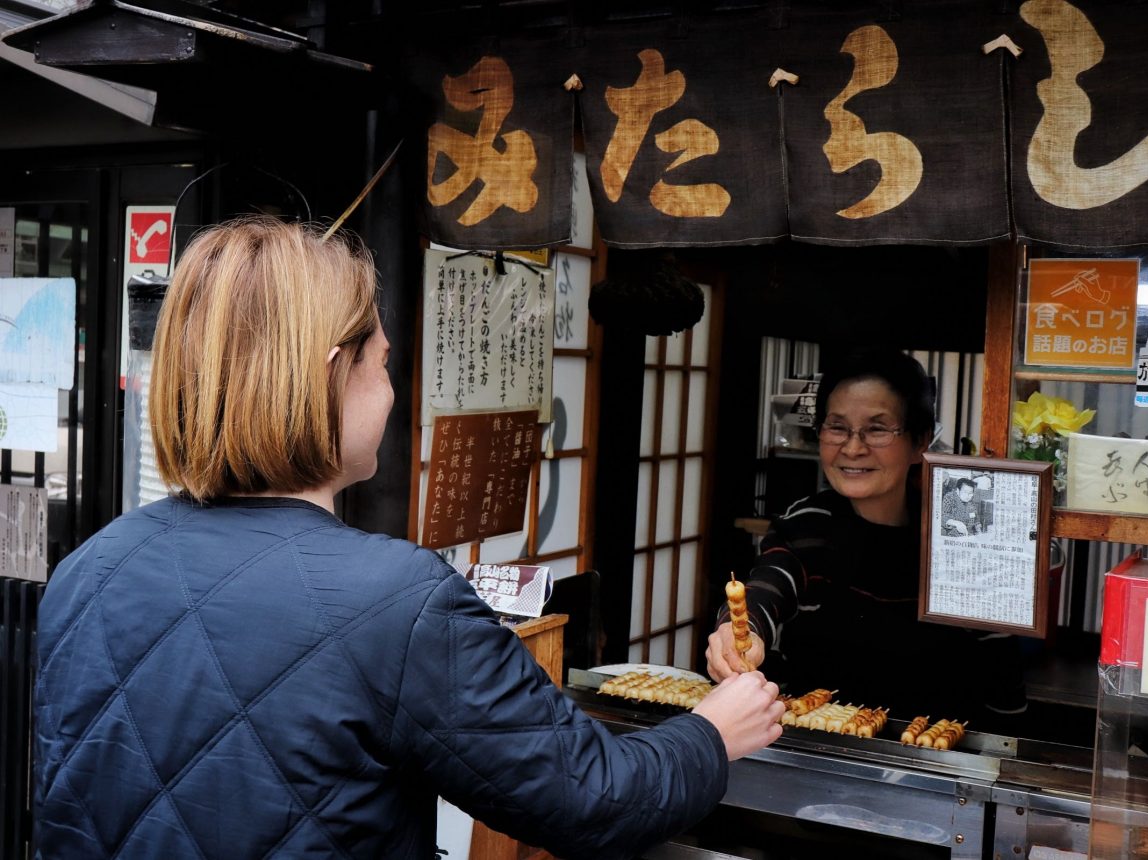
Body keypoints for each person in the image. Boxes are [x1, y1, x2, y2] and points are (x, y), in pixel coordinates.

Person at [34, 217, 784, 860]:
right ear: (335, 373)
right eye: (384, 362)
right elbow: (594, 800)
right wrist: (712, 732)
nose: (391, 392)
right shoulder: (394, 601)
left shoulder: (88, 569)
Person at [705, 349, 1026, 728]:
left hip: (942, 758)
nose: (853, 448)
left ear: (919, 440)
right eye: (837, 427)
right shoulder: (805, 525)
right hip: (817, 749)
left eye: (876, 429)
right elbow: (766, 589)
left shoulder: (964, 535)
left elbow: (1002, 673)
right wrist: (737, 632)